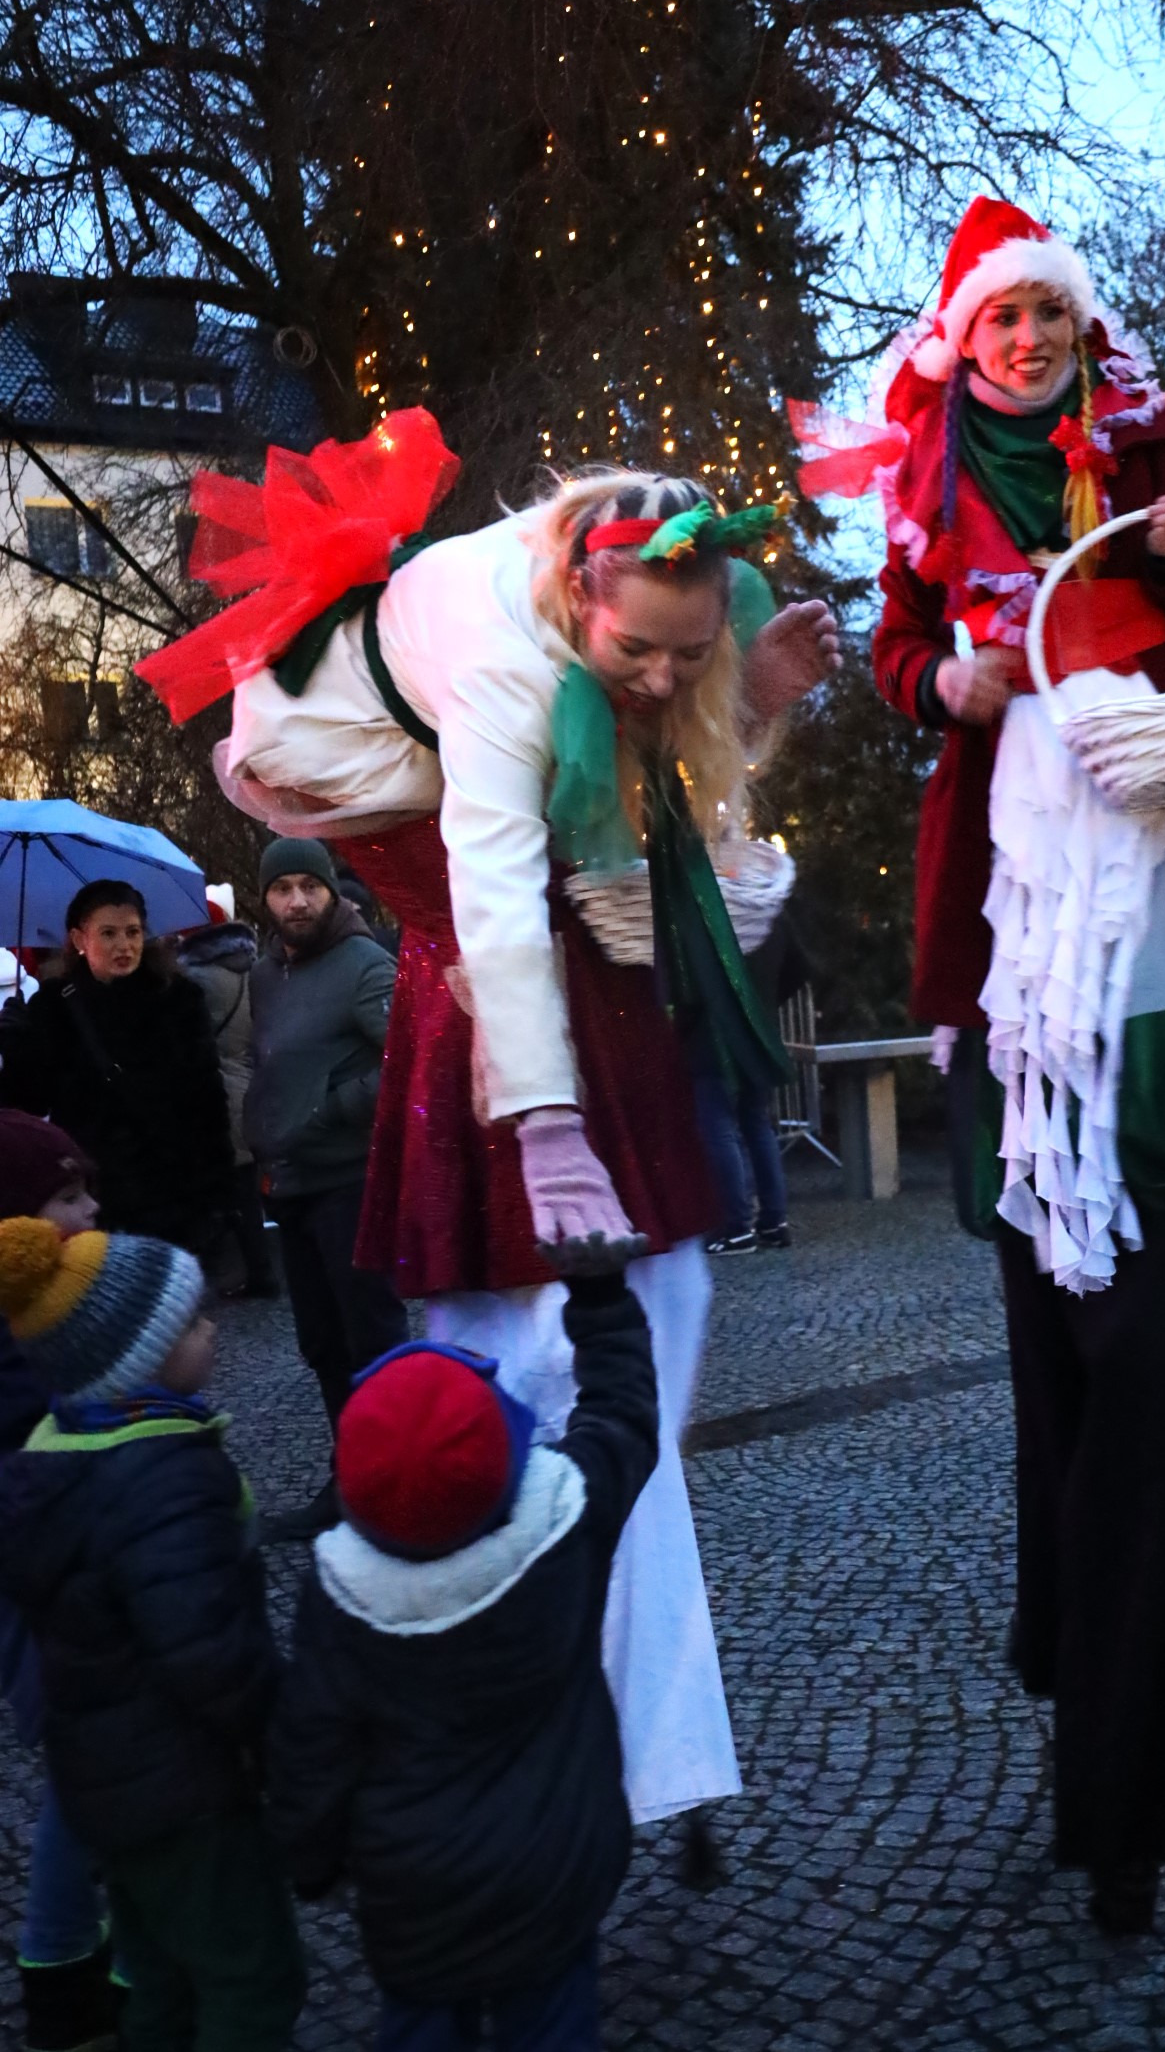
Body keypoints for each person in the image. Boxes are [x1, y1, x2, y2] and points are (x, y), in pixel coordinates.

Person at [135, 423, 839, 1839]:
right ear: (584, 595)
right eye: (639, 650)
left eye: (685, 653)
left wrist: (745, 697)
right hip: (499, 994)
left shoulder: (640, 618)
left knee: (622, 1361)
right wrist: (543, 1119)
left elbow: (644, 814)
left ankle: (622, 1739)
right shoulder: (502, 667)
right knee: (517, 1390)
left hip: (552, 992)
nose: (660, 677)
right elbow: (508, 890)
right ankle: (540, 1729)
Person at [814, 195, 1165, 1932]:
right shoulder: (929, 492)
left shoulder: (1154, 452)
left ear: (1079, 333)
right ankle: (1073, 1637)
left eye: (1048, 318)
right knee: (1061, 1394)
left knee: (1156, 1402)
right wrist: (936, 683)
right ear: (964, 346)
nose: (1027, 343)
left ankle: (1122, 1799)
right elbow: (893, 658)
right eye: (999, 323)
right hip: (1023, 1001)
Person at [269, 1276, 657, 2052]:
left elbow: (312, 1744)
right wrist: (600, 1295)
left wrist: (310, 1860)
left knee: (419, 2026)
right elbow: (621, 1412)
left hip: (414, 1890)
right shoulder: (567, 1525)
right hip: (554, 1867)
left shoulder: (338, 1593)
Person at [0, 1215, 305, 2051]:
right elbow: (207, 1651)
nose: (214, 1330)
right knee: (252, 1975)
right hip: (190, 1789)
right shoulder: (166, 1475)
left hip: (108, 1781)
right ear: (138, 1362)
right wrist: (281, 1735)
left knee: (159, 1970)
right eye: (195, 1322)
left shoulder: (56, 1456)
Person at [246, 836, 409, 1535]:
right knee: (321, 1343)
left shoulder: (365, 963)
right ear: (266, 899)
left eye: (307, 886)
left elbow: (406, 1064)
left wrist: (332, 1108)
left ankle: (401, 1484)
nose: (296, 901)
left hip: (352, 1181)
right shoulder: (264, 975)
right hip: (292, 1182)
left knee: (369, 1338)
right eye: (282, 889)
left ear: (329, 891)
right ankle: (353, 1478)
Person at [0, 1113, 120, 2052]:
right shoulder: (25, 1352)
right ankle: (70, 1969)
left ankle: (78, 1961)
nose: (92, 1209)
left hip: (59, 1598)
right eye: (68, 1197)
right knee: (94, 1781)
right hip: (51, 1607)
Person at [0, 880, 234, 1258]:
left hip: (173, 1186)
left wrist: (218, 1194)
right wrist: (16, 1045)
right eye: (108, 933)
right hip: (93, 1195)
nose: (124, 946)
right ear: (79, 938)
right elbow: (25, 1102)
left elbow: (206, 1097)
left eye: (133, 932)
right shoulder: (54, 1006)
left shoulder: (176, 998)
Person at [177, 912, 278, 1296]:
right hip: (252, 1084)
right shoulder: (251, 972)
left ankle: (247, 1270)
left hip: (218, 1091)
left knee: (232, 1190)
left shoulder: (196, 981)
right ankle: (261, 1267)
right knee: (248, 1188)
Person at [693, 914, 806, 1254]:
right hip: (759, 1032)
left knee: (719, 1128)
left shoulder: (702, 912)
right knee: (758, 1125)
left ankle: (736, 1226)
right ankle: (774, 1221)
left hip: (710, 1034)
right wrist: (765, 1002)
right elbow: (798, 966)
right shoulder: (767, 907)